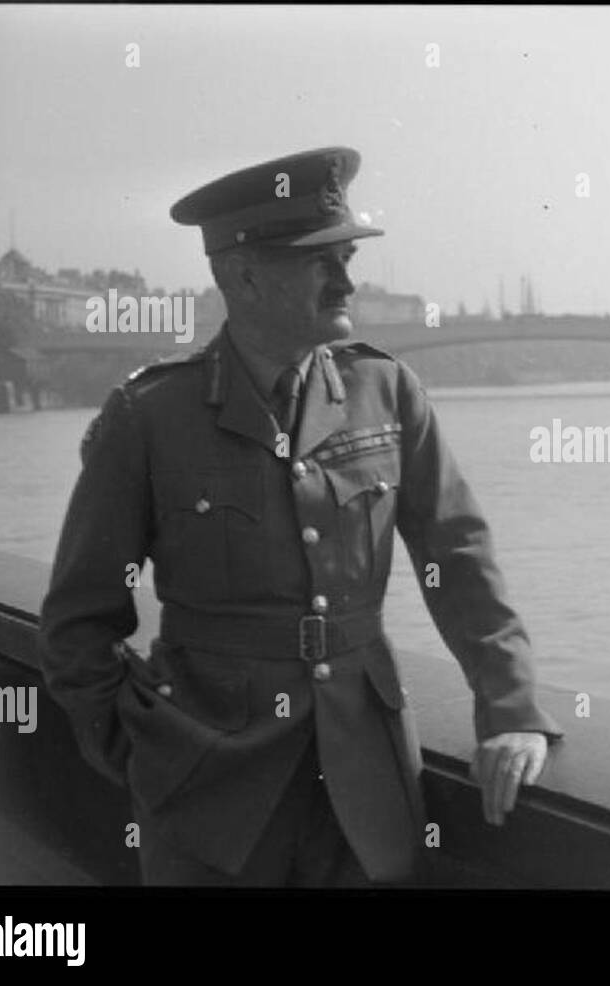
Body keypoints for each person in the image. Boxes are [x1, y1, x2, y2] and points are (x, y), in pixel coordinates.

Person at [39, 147, 563, 887]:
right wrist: (141, 753)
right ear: (242, 275)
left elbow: (461, 559)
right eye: (321, 260)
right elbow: (77, 622)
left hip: (366, 786)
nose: (348, 277)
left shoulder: (387, 392)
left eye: (346, 254)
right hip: (205, 795)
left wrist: (509, 707)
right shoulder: (151, 416)